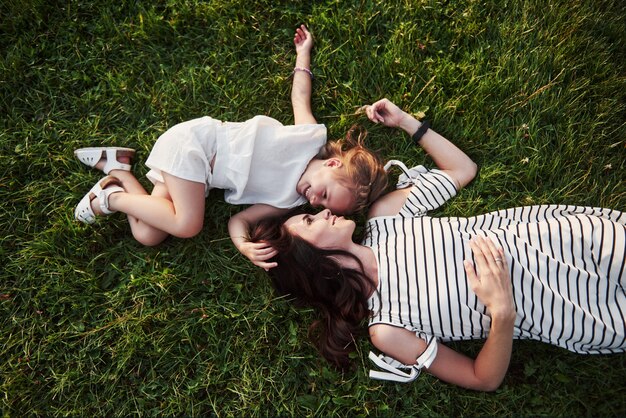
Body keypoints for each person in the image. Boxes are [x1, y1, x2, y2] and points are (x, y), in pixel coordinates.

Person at [249, 98, 626, 391]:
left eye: (311, 211)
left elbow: (461, 170)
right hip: (577, 313)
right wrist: (502, 313)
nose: (321, 210)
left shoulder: (385, 218)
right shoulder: (387, 328)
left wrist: (406, 122)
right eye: (311, 220)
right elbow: (482, 378)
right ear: (313, 259)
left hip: (575, 241)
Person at [72, 25, 388, 266]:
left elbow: (239, 221)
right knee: (187, 224)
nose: (315, 202)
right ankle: (110, 198)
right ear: (332, 165)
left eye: (322, 207)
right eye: (325, 194)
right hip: (196, 146)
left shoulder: (287, 201)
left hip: (196, 177)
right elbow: (300, 97)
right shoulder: (309, 137)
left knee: (148, 234)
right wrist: (303, 53)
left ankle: (119, 170)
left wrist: (244, 245)